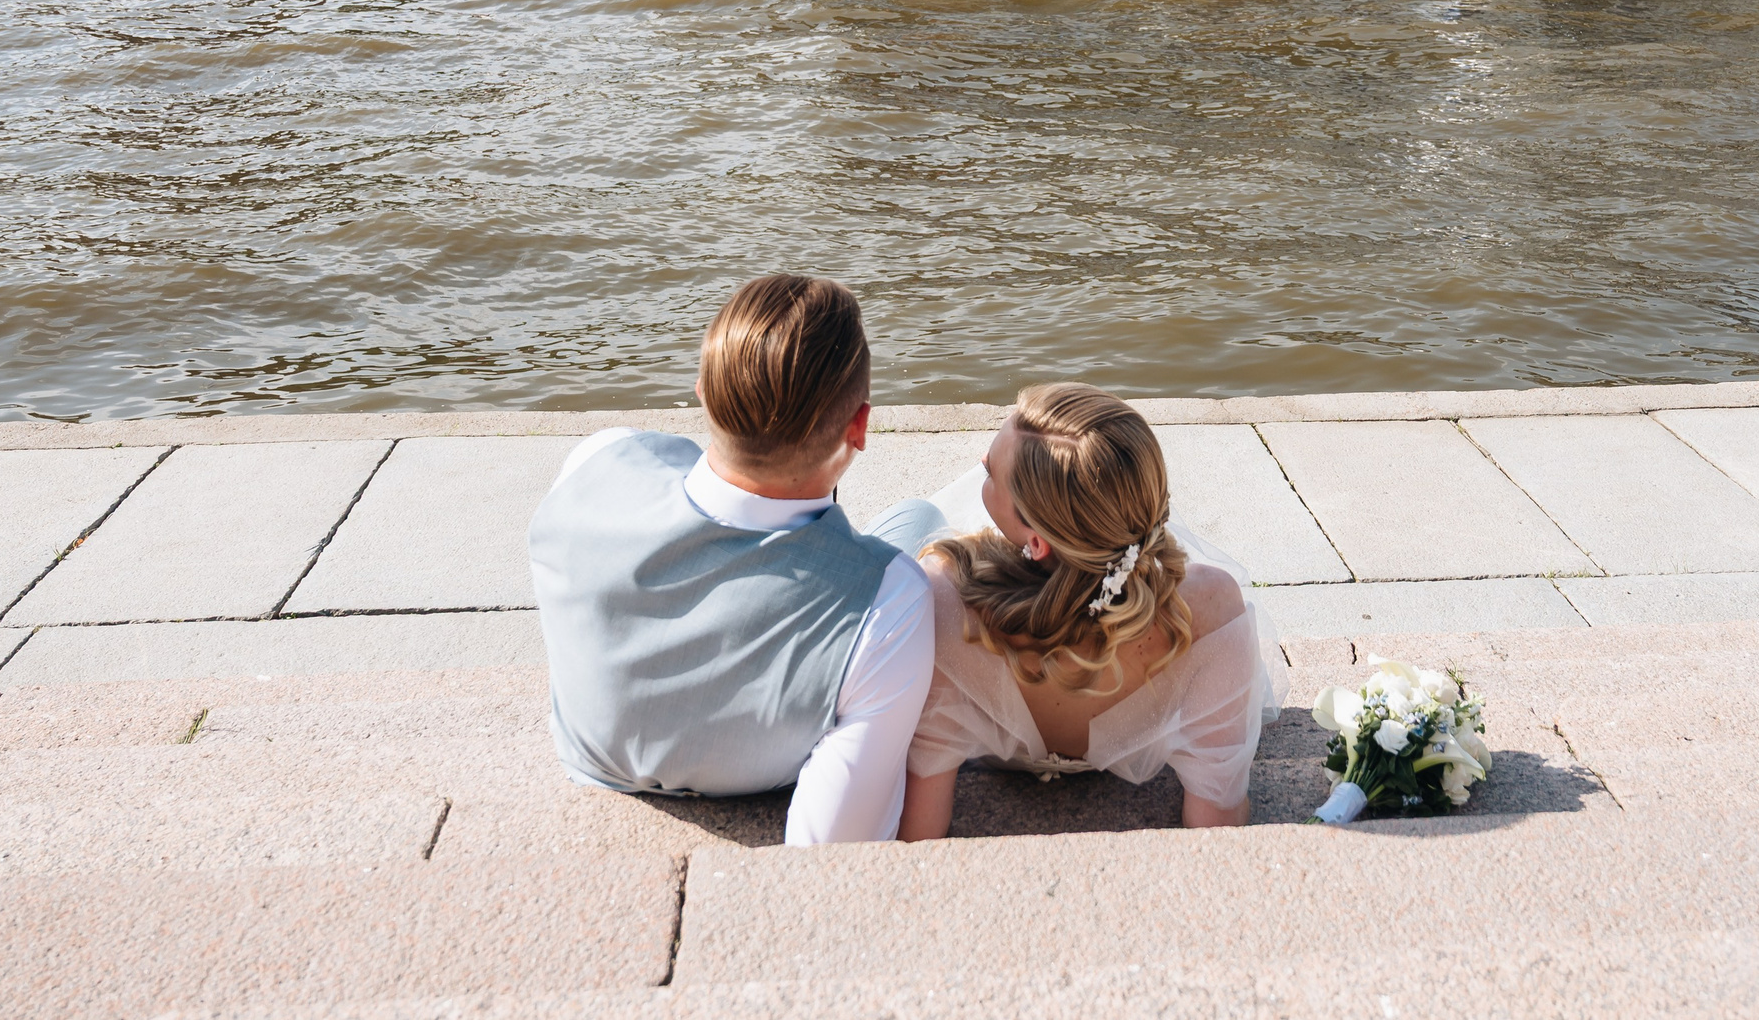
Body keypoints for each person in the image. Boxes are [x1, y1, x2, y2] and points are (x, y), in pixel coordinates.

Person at [527, 274, 933, 844]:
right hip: (762, 768)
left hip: (595, 759)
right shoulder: (894, 600)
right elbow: (833, 850)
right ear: (859, 427)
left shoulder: (595, 462)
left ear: (702, 391)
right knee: (920, 522)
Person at [877, 383, 1282, 839]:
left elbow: (919, 832)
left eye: (989, 473)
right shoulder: (1210, 611)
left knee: (916, 517)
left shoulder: (942, 602)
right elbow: (1218, 825)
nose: (979, 469)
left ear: (1036, 542)